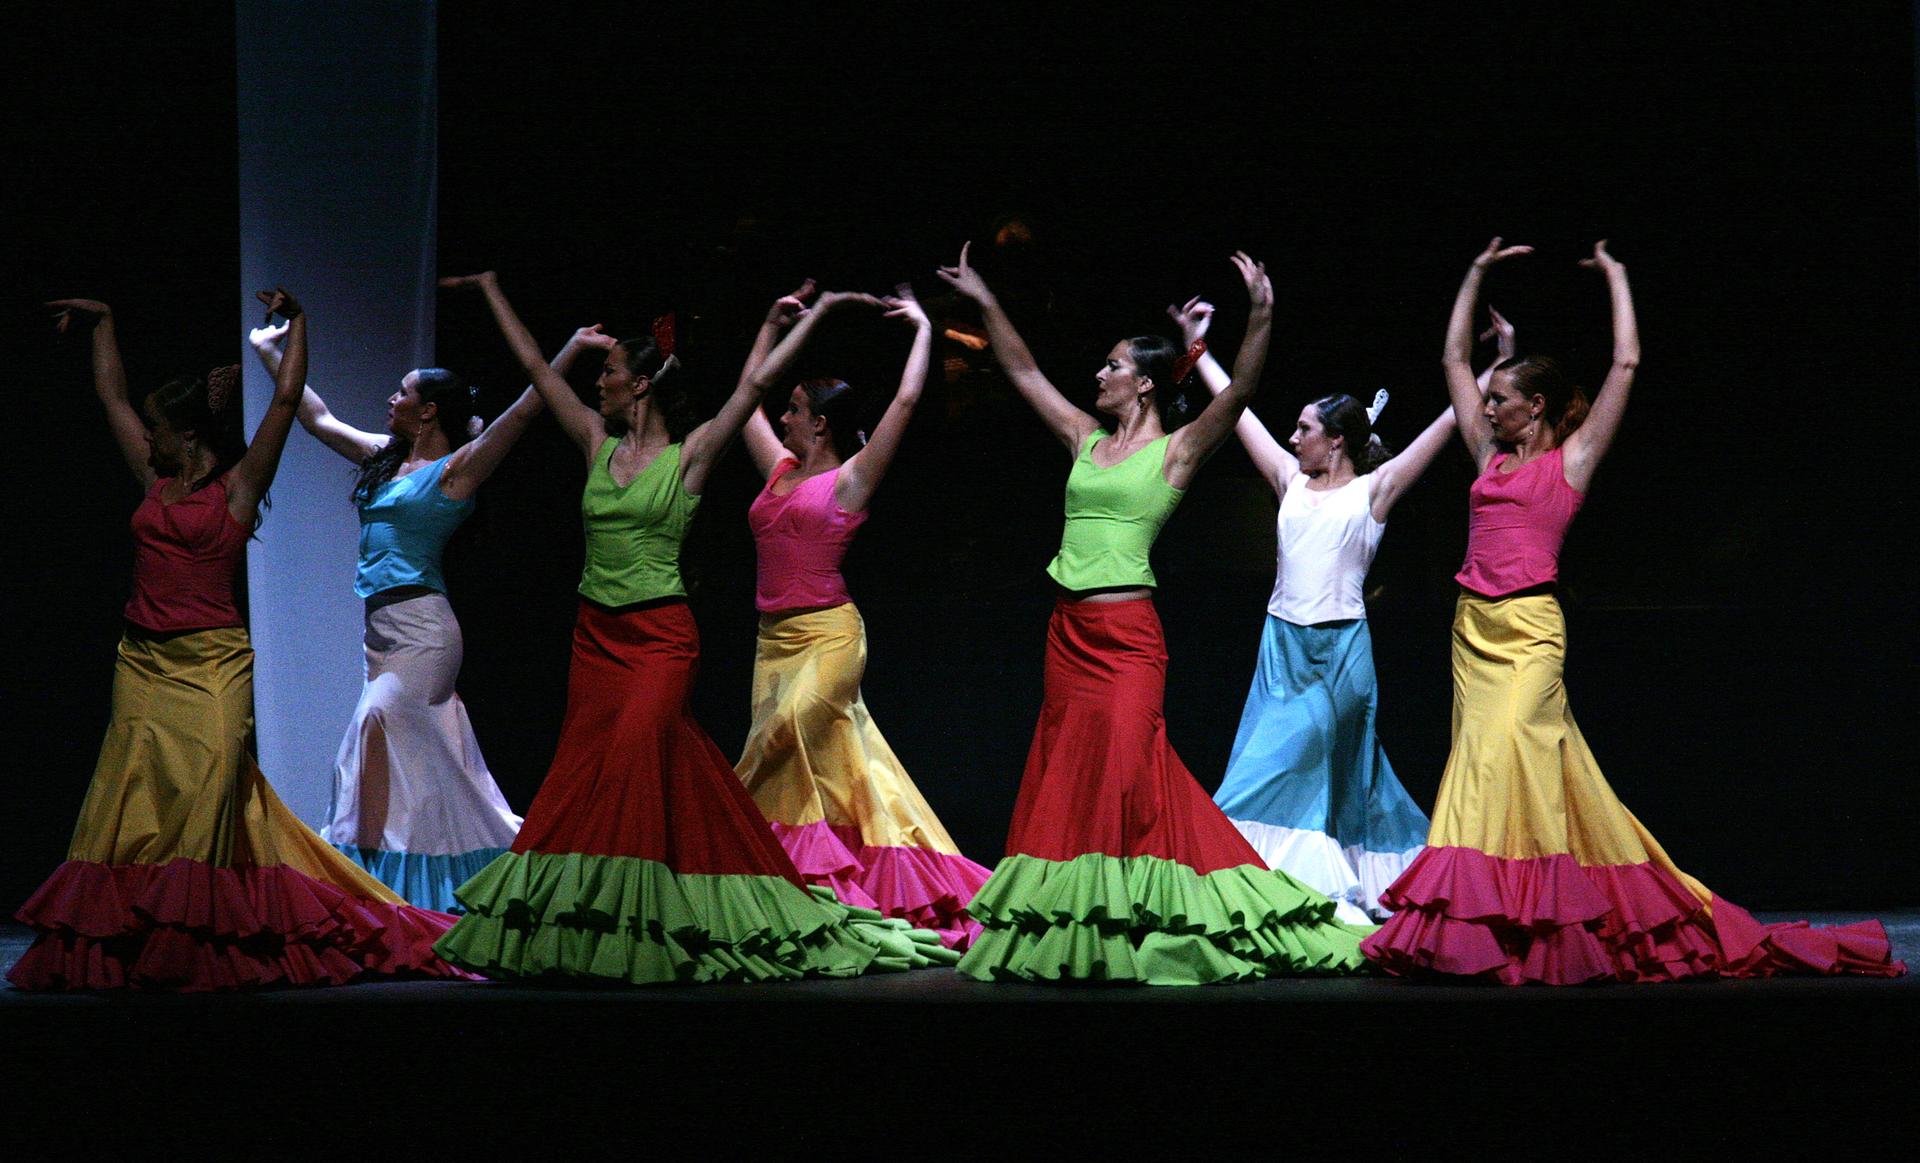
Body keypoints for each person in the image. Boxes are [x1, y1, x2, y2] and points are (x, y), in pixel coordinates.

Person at [1361, 239, 1904, 983]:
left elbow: (1626, 365)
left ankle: (1542, 913)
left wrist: (1616, 276)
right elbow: (1455, 362)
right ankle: (1498, 923)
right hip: (1473, 629)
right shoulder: (1489, 455)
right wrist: (1474, 272)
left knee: (1518, 743)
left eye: (1502, 398)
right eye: (1488, 402)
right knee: (1484, 766)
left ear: (1537, 406)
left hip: (1529, 627)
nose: (1486, 405)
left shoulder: (1571, 461)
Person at [430, 272, 946, 982]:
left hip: (662, 639)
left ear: (641, 385)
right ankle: (603, 915)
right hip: (595, 639)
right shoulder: (592, 442)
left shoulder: (694, 455)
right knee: (604, 769)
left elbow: (752, 385)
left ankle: (636, 925)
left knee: (639, 756)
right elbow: (532, 372)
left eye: (610, 372)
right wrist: (492, 289)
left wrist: (797, 315)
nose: (600, 382)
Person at [937, 244, 1372, 984]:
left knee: (1131, 771)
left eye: (1111, 367)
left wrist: (1260, 316)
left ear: (1141, 383)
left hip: (1129, 639)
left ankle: (1155, 912)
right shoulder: (1083, 438)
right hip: (1068, 634)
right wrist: (983, 301)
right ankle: (1083, 924)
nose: (1098, 376)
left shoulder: (1174, 453)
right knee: (1071, 773)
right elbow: (1021, 371)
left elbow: (1237, 396)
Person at [11, 292, 464, 990]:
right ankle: (138, 932)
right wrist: (105, 321)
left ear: (187, 434)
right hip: (143, 662)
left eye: (159, 429)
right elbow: (112, 397)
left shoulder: (237, 489)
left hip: (214, 659)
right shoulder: (153, 476)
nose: (148, 437)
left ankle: (190, 935)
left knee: (213, 791)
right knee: (135, 796)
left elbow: (286, 405)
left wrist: (301, 321)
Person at [247, 302, 559, 912]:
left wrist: (566, 352)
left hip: (424, 632)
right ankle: (416, 888)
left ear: (429, 410)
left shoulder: (454, 473)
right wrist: (269, 352)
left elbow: (523, 413)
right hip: (380, 634)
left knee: (371, 725)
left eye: (402, 393)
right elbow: (318, 418)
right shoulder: (385, 459)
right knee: (421, 774)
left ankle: (360, 869)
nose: (391, 400)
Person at [1172, 293, 1467, 923]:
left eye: (1304, 428)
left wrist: (1490, 370)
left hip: (1341, 656)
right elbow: (1235, 408)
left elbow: (1445, 428)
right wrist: (1196, 346)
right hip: (1280, 650)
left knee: (1340, 777)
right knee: (1268, 765)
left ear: (1335, 442)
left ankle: (1314, 889)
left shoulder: (1372, 491)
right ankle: (1259, 883)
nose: (1292, 435)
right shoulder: (1287, 480)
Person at [732, 279, 993, 949]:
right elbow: (742, 400)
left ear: (821, 421)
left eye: (794, 409)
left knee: (784, 732)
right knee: (824, 769)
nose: (784, 418)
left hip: (831, 635)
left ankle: (734, 845)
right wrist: (771, 322)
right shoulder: (778, 470)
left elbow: (906, 399)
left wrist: (923, 329)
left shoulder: (849, 477)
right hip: (773, 642)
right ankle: (797, 882)